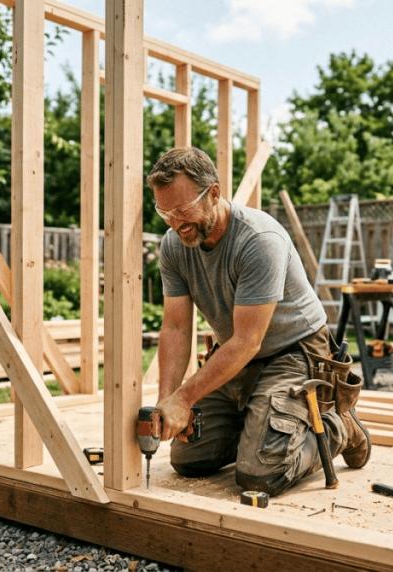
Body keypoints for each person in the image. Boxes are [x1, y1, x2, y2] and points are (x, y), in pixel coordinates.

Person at [146, 147, 371, 496]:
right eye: (165, 213)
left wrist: (186, 397)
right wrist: (168, 401)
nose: (175, 223)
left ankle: (338, 423)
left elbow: (248, 341)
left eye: (182, 210)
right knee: (189, 460)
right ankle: (261, 424)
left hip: (294, 353)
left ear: (214, 193)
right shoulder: (174, 246)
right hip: (235, 355)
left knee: (261, 476)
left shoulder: (259, 240)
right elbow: (175, 327)